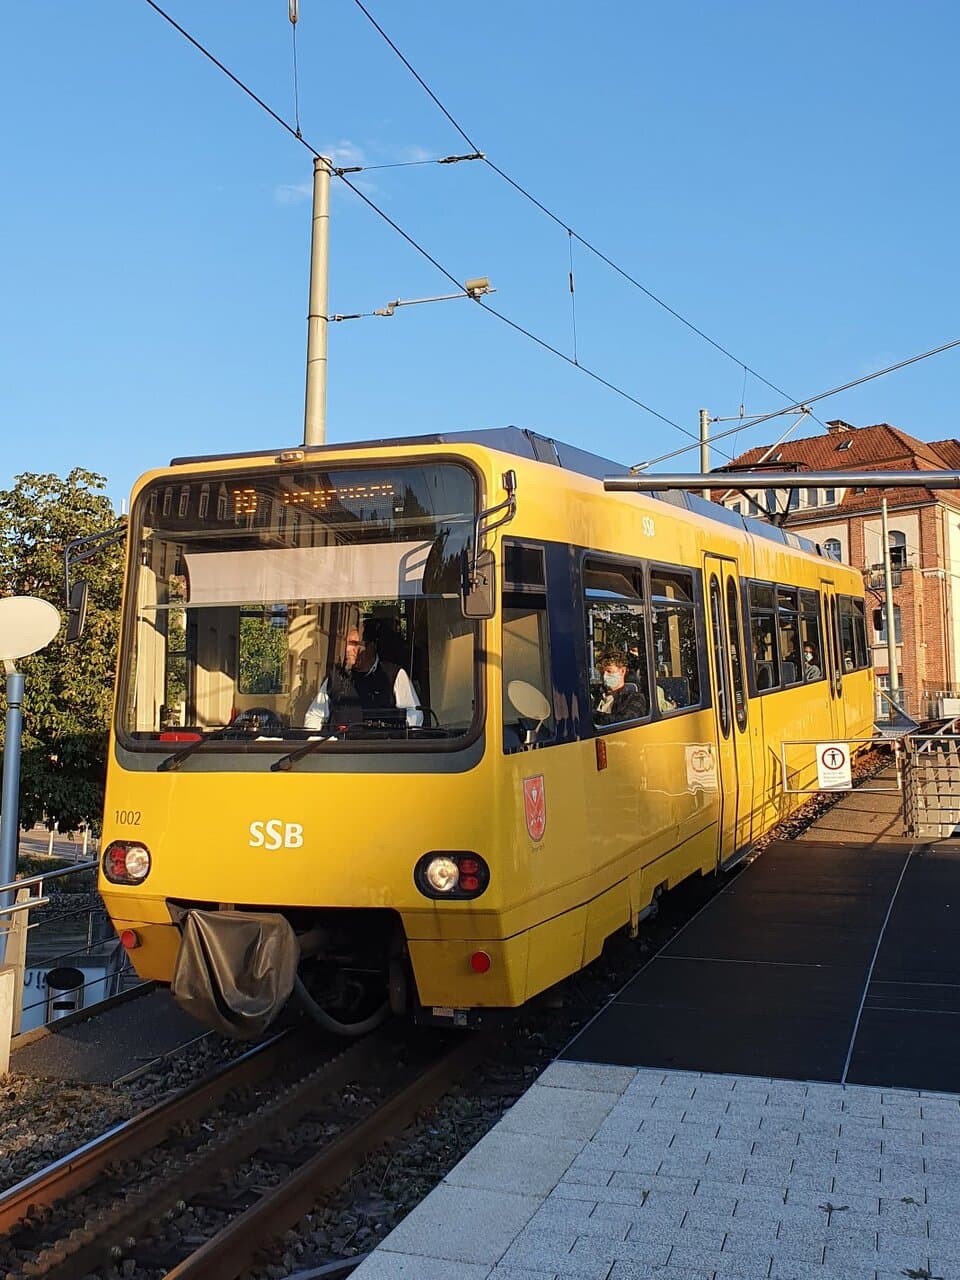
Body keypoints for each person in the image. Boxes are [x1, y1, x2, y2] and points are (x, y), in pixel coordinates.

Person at [304, 621, 423, 730]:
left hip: (381, 750)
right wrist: (318, 744)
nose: (348, 649)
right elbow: (315, 715)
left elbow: (414, 714)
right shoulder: (336, 677)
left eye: (354, 644)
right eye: (347, 644)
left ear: (371, 647)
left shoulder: (394, 675)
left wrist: (397, 741)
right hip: (340, 751)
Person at [594, 648, 648, 723]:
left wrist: (592, 716)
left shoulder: (635, 698)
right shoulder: (594, 694)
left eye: (609, 671)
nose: (604, 676)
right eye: (602, 672)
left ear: (622, 671)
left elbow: (625, 720)